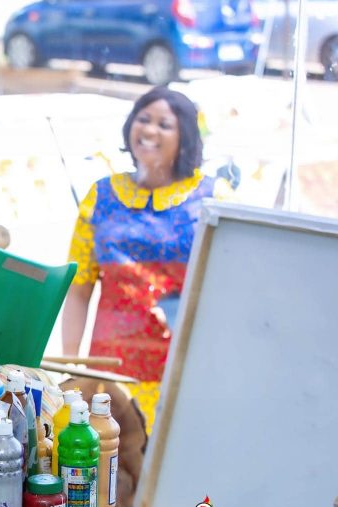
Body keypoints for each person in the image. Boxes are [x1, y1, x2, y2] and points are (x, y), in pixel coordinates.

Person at [61, 86, 232, 431]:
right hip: (108, 373)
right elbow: (78, 289)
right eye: (143, 119)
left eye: (164, 124)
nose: (150, 130)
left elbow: (232, 292)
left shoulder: (214, 199)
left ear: (185, 136)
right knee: (112, 474)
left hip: (183, 375)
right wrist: (72, 367)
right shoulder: (101, 196)